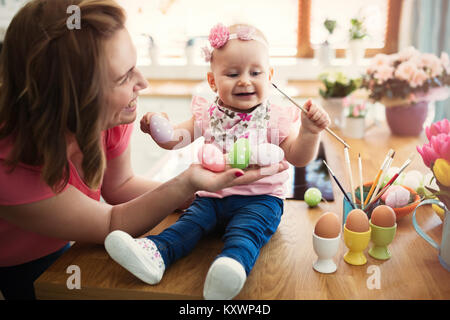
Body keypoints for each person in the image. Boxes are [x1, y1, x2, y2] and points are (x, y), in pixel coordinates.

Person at [0, 2, 287, 300]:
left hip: (65, 242)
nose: (143, 83)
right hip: (22, 264)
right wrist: (188, 182)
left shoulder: (107, 116)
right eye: (124, 77)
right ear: (74, 97)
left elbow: (120, 186)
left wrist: (211, 198)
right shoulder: (8, 167)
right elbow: (110, 222)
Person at [104, 23, 331, 300]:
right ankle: (155, 253)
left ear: (270, 76)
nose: (245, 80)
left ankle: (231, 267)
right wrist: (157, 127)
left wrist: (309, 132)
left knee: (246, 233)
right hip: (210, 197)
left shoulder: (276, 116)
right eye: (232, 73)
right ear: (213, 81)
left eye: (255, 72)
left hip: (260, 201)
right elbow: (178, 139)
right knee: (188, 225)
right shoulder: (209, 114)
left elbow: (298, 156)